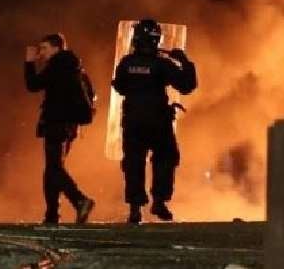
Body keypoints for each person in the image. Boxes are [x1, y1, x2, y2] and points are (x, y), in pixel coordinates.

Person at [113, 19, 197, 224]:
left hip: (132, 121)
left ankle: (135, 208)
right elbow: (187, 85)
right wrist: (184, 61)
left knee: (133, 163)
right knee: (166, 158)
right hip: (158, 121)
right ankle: (159, 201)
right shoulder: (162, 64)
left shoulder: (126, 62)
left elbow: (120, 87)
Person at [24, 33, 95, 225]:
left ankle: (79, 200)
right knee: (52, 169)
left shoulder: (58, 64)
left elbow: (33, 85)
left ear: (56, 48)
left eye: (45, 48)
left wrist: (29, 62)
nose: (42, 52)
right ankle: (52, 214)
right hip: (69, 124)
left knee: (54, 169)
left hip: (57, 122)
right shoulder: (74, 66)